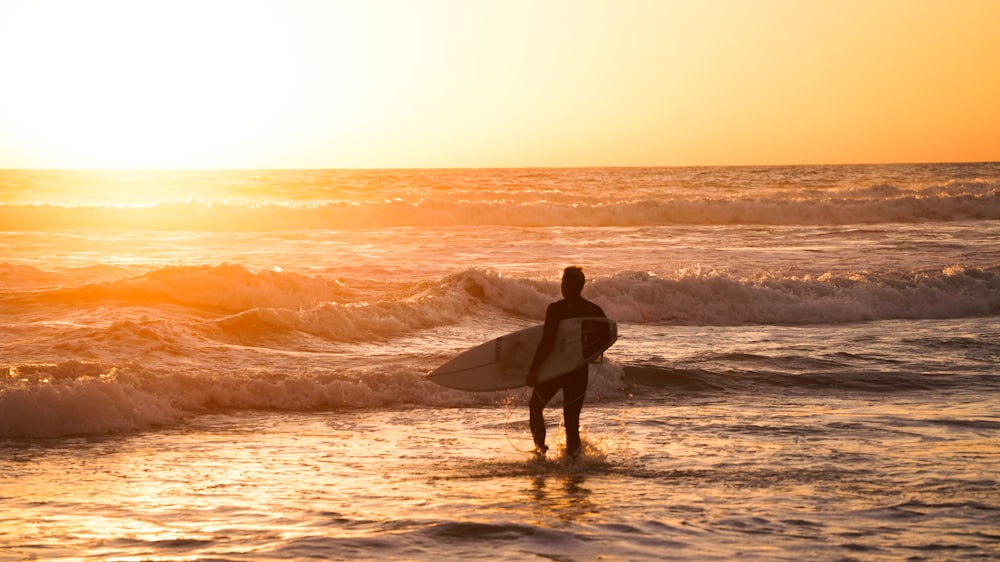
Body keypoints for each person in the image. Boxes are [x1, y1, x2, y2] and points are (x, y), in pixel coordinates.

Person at [526, 266, 606, 458]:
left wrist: (534, 369)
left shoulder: (556, 309)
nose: (562, 285)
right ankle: (573, 463)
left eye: (563, 282)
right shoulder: (593, 310)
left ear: (568, 285)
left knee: (536, 406)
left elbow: (548, 341)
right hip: (578, 371)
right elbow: (606, 336)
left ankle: (540, 450)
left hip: (556, 369)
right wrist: (591, 355)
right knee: (571, 419)